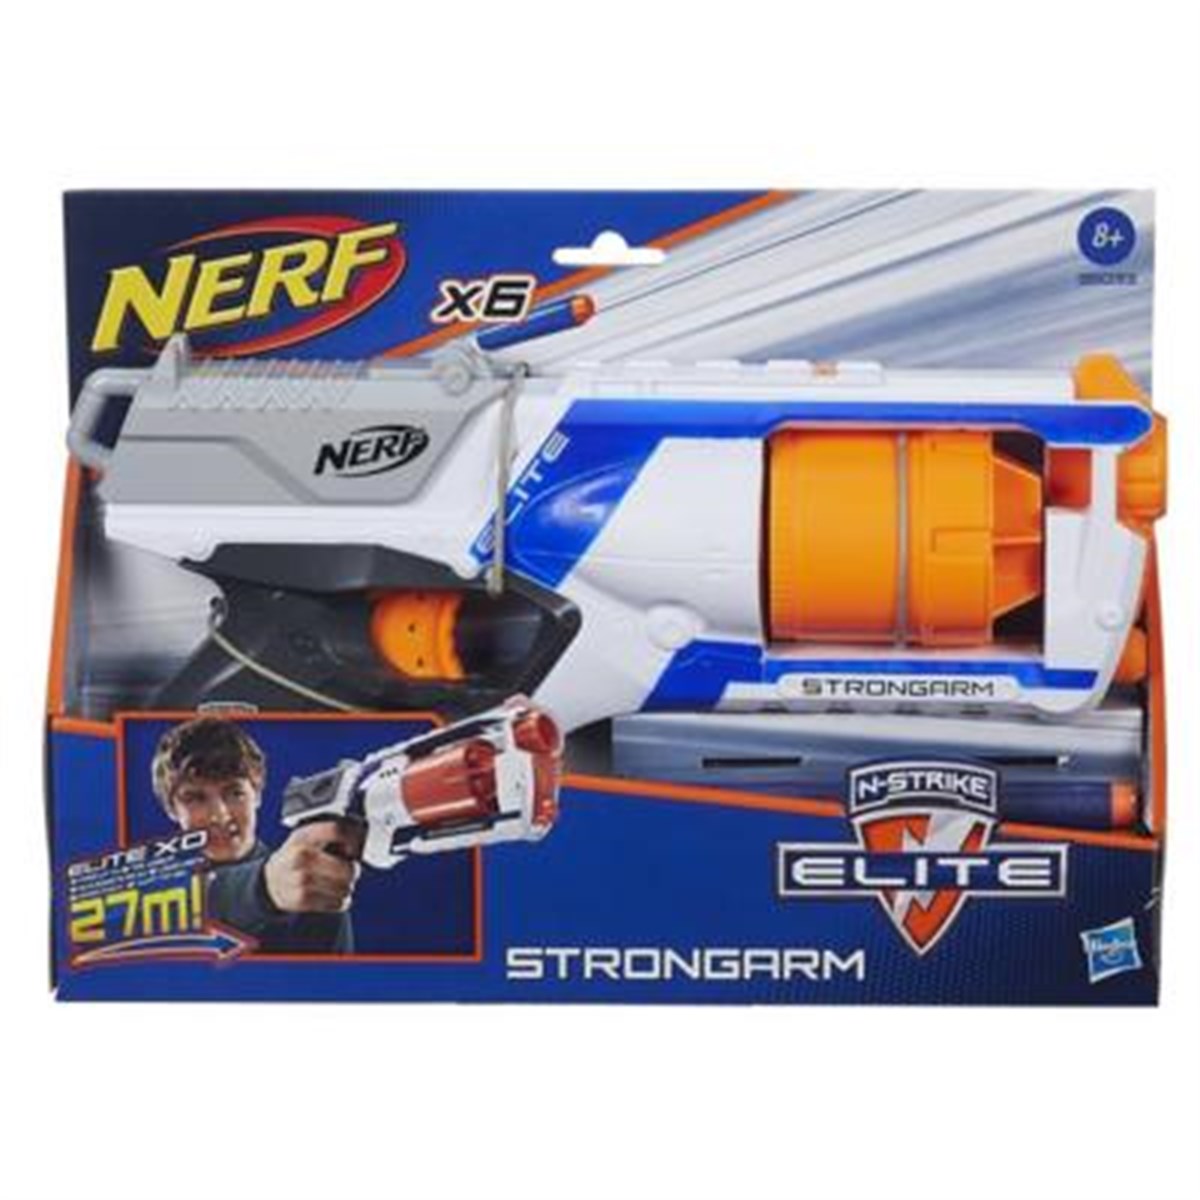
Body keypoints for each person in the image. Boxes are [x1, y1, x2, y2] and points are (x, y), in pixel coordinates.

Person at [151, 716, 360, 954]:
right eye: (196, 798)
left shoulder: (314, 888)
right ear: (170, 809)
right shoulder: (145, 888)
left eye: (235, 793)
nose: (220, 815)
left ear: (258, 795)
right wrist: (265, 887)